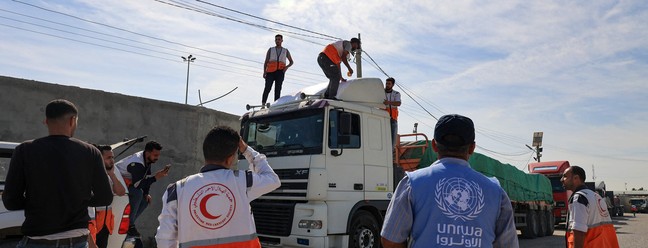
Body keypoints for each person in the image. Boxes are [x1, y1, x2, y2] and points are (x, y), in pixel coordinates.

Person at [381, 114, 518, 248]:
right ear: (472, 148)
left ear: (434, 145)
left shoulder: (412, 183)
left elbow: (390, 240)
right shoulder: (496, 191)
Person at [2, 99, 113, 248]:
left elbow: (10, 201)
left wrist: (39, 202)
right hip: (77, 242)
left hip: (36, 241)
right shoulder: (90, 152)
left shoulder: (24, 150)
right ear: (73, 120)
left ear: (46, 121)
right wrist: (77, 200)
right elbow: (105, 198)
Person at [155, 126, 280, 248]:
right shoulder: (243, 181)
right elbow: (273, 179)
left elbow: (164, 239)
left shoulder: (177, 190)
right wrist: (246, 150)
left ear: (205, 153)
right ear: (230, 159)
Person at [115, 140, 169, 237]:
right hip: (114, 183)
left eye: (158, 155)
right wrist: (156, 178)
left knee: (145, 199)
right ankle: (130, 225)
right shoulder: (137, 163)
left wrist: (146, 193)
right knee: (137, 193)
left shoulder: (147, 159)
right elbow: (137, 185)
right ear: (148, 152)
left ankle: (130, 223)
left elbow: (145, 178)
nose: (157, 158)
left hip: (126, 183)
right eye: (155, 155)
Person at [561, 165, 619, 248]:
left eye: (565, 176)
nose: (562, 180)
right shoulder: (595, 196)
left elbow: (579, 231)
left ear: (576, 178)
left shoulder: (579, 198)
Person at [91, 145, 127, 248]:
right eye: (108, 158)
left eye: (112, 157)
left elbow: (121, 192)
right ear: (99, 158)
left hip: (105, 224)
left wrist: (112, 174)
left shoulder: (110, 175)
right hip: (93, 223)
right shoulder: (91, 174)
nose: (112, 160)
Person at [262, 34, 294, 106]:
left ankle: (275, 105)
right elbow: (266, 61)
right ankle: (263, 104)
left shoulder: (285, 51)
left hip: (280, 72)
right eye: (276, 39)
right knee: (267, 88)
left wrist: (286, 67)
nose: (277, 41)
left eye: (279, 39)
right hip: (270, 72)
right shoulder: (271, 50)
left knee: (278, 89)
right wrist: (264, 72)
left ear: (282, 40)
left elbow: (291, 62)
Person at [383, 77, 401, 148]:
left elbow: (398, 103)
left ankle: (391, 152)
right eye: (386, 83)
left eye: (389, 84)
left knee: (392, 140)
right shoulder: (381, 92)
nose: (387, 85)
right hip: (383, 118)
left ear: (392, 85)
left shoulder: (396, 93)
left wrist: (389, 102)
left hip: (393, 118)